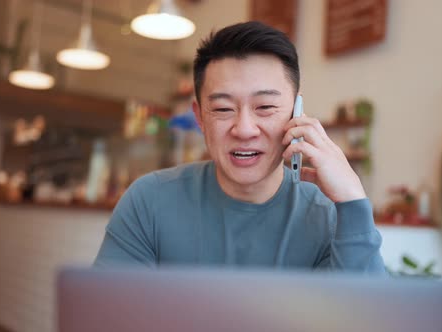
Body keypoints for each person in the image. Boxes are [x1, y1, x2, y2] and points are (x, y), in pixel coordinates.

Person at [94, 21, 385, 274]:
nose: (244, 129)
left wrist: (352, 200)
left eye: (266, 107)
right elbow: (103, 315)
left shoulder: (328, 217)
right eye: (223, 108)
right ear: (200, 118)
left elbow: (366, 319)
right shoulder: (149, 202)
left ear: (296, 113)